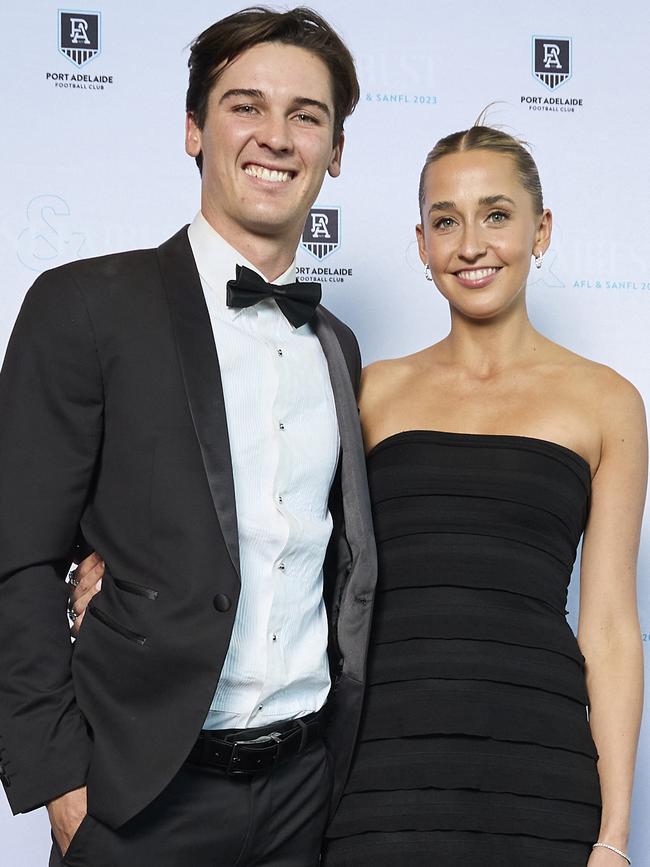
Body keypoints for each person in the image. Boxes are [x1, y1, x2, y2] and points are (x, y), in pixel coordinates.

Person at [0, 8, 376, 866]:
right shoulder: (87, 307)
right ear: (193, 130)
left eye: (306, 116)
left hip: (303, 795)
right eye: (246, 106)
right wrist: (60, 779)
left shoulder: (337, 346)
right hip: (140, 800)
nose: (276, 137)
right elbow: (15, 557)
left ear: (336, 152)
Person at [321, 127, 646, 866]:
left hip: (540, 775)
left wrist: (614, 837)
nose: (471, 243)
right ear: (423, 242)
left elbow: (611, 627)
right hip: (380, 779)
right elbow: (295, 555)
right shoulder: (372, 390)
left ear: (542, 229)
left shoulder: (608, 402)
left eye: (496, 214)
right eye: (446, 220)